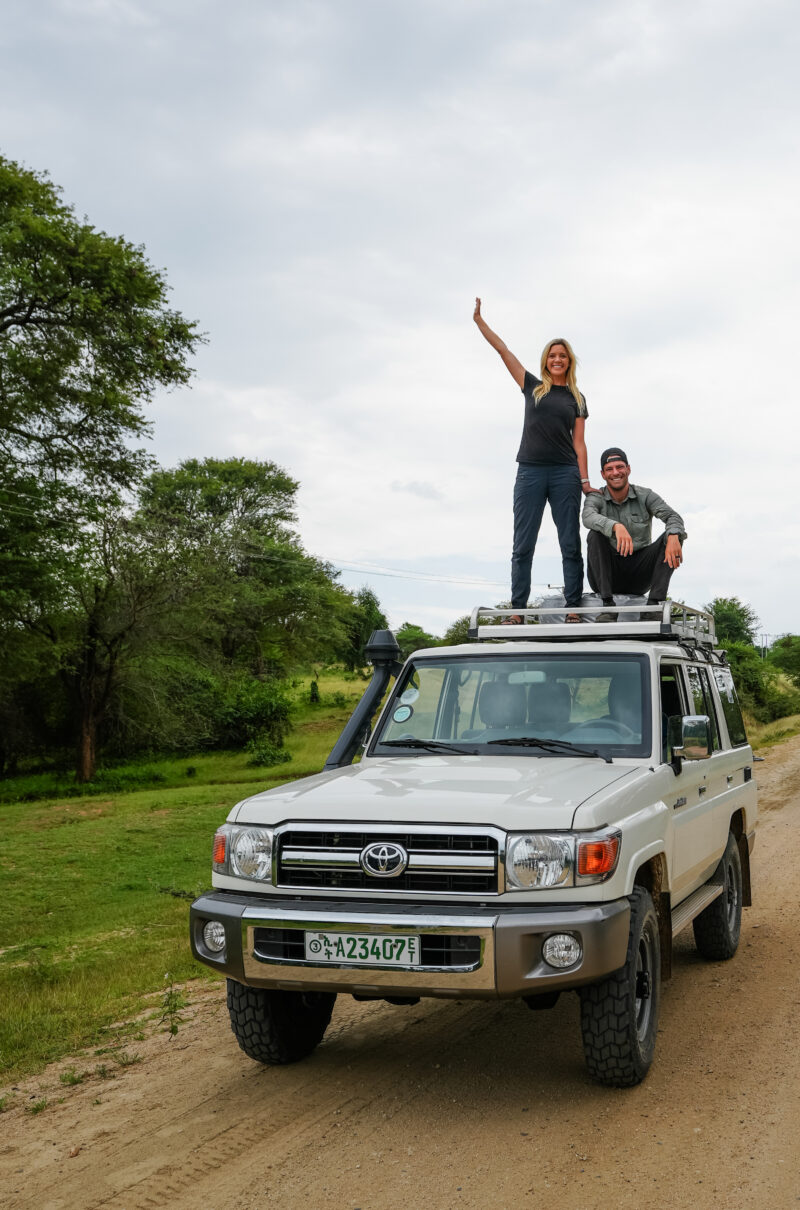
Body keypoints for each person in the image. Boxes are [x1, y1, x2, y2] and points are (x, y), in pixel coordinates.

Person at [473, 298, 596, 623]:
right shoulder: (532, 386)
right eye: (552, 355)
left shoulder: (577, 398)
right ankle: (516, 611)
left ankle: (573, 608)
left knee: (569, 542)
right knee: (522, 544)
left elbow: (579, 443)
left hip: (564, 474)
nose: (557, 359)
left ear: (569, 361)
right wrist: (480, 322)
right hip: (529, 472)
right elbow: (504, 351)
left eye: (562, 355)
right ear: (546, 361)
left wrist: (584, 482)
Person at [582, 447, 686, 621]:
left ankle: (653, 607)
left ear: (628, 469)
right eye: (610, 469)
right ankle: (608, 607)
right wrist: (615, 526)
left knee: (673, 535)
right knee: (595, 535)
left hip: (638, 573)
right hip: (606, 574)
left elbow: (673, 516)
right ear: (603, 474)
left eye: (620, 467)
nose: (616, 472)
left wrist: (674, 535)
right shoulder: (596, 497)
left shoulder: (645, 495)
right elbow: (587, 517)